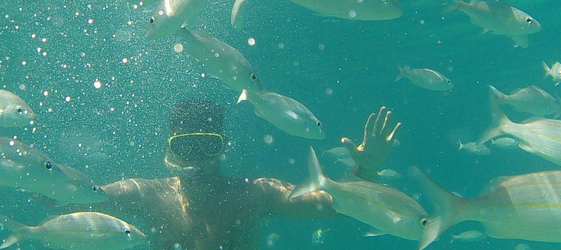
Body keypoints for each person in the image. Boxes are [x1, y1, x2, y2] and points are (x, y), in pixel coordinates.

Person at [96, 98, 400, 250]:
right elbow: (65, 197)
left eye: (209, 146)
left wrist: (367, 168)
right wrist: (46, 178)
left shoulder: (257, 193)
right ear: (169, 150)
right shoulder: (143, 193)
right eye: (186, 147)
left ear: (224, 146)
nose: (199, 158)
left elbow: (339, 207)